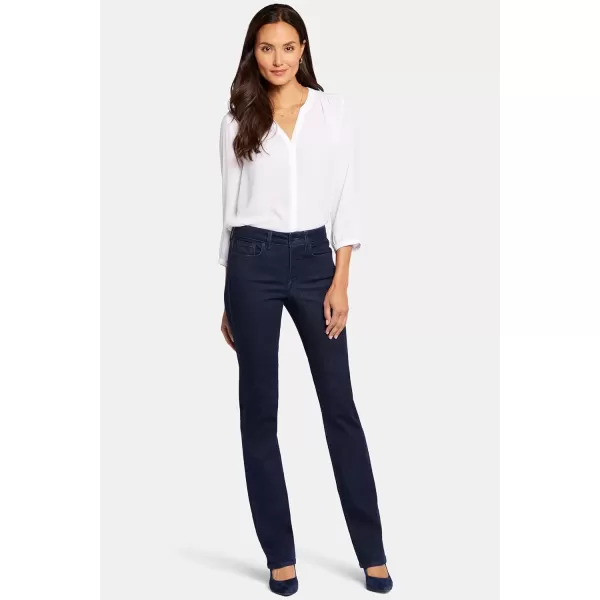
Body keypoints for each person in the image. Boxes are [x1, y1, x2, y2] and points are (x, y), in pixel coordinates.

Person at [218, 4, 393, 595]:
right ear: (254, 51)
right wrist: (229, 295)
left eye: (288, 47)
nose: (278, 59)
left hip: (318, 262)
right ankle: (280, 555)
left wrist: (342, 280)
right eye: (266, 48)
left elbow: (348, 198)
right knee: (259, 412)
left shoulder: (333, 112)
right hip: (251, 265)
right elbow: (229, 209)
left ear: (303, 49)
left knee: (339, 407)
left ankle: (372, 552)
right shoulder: (238, 117)